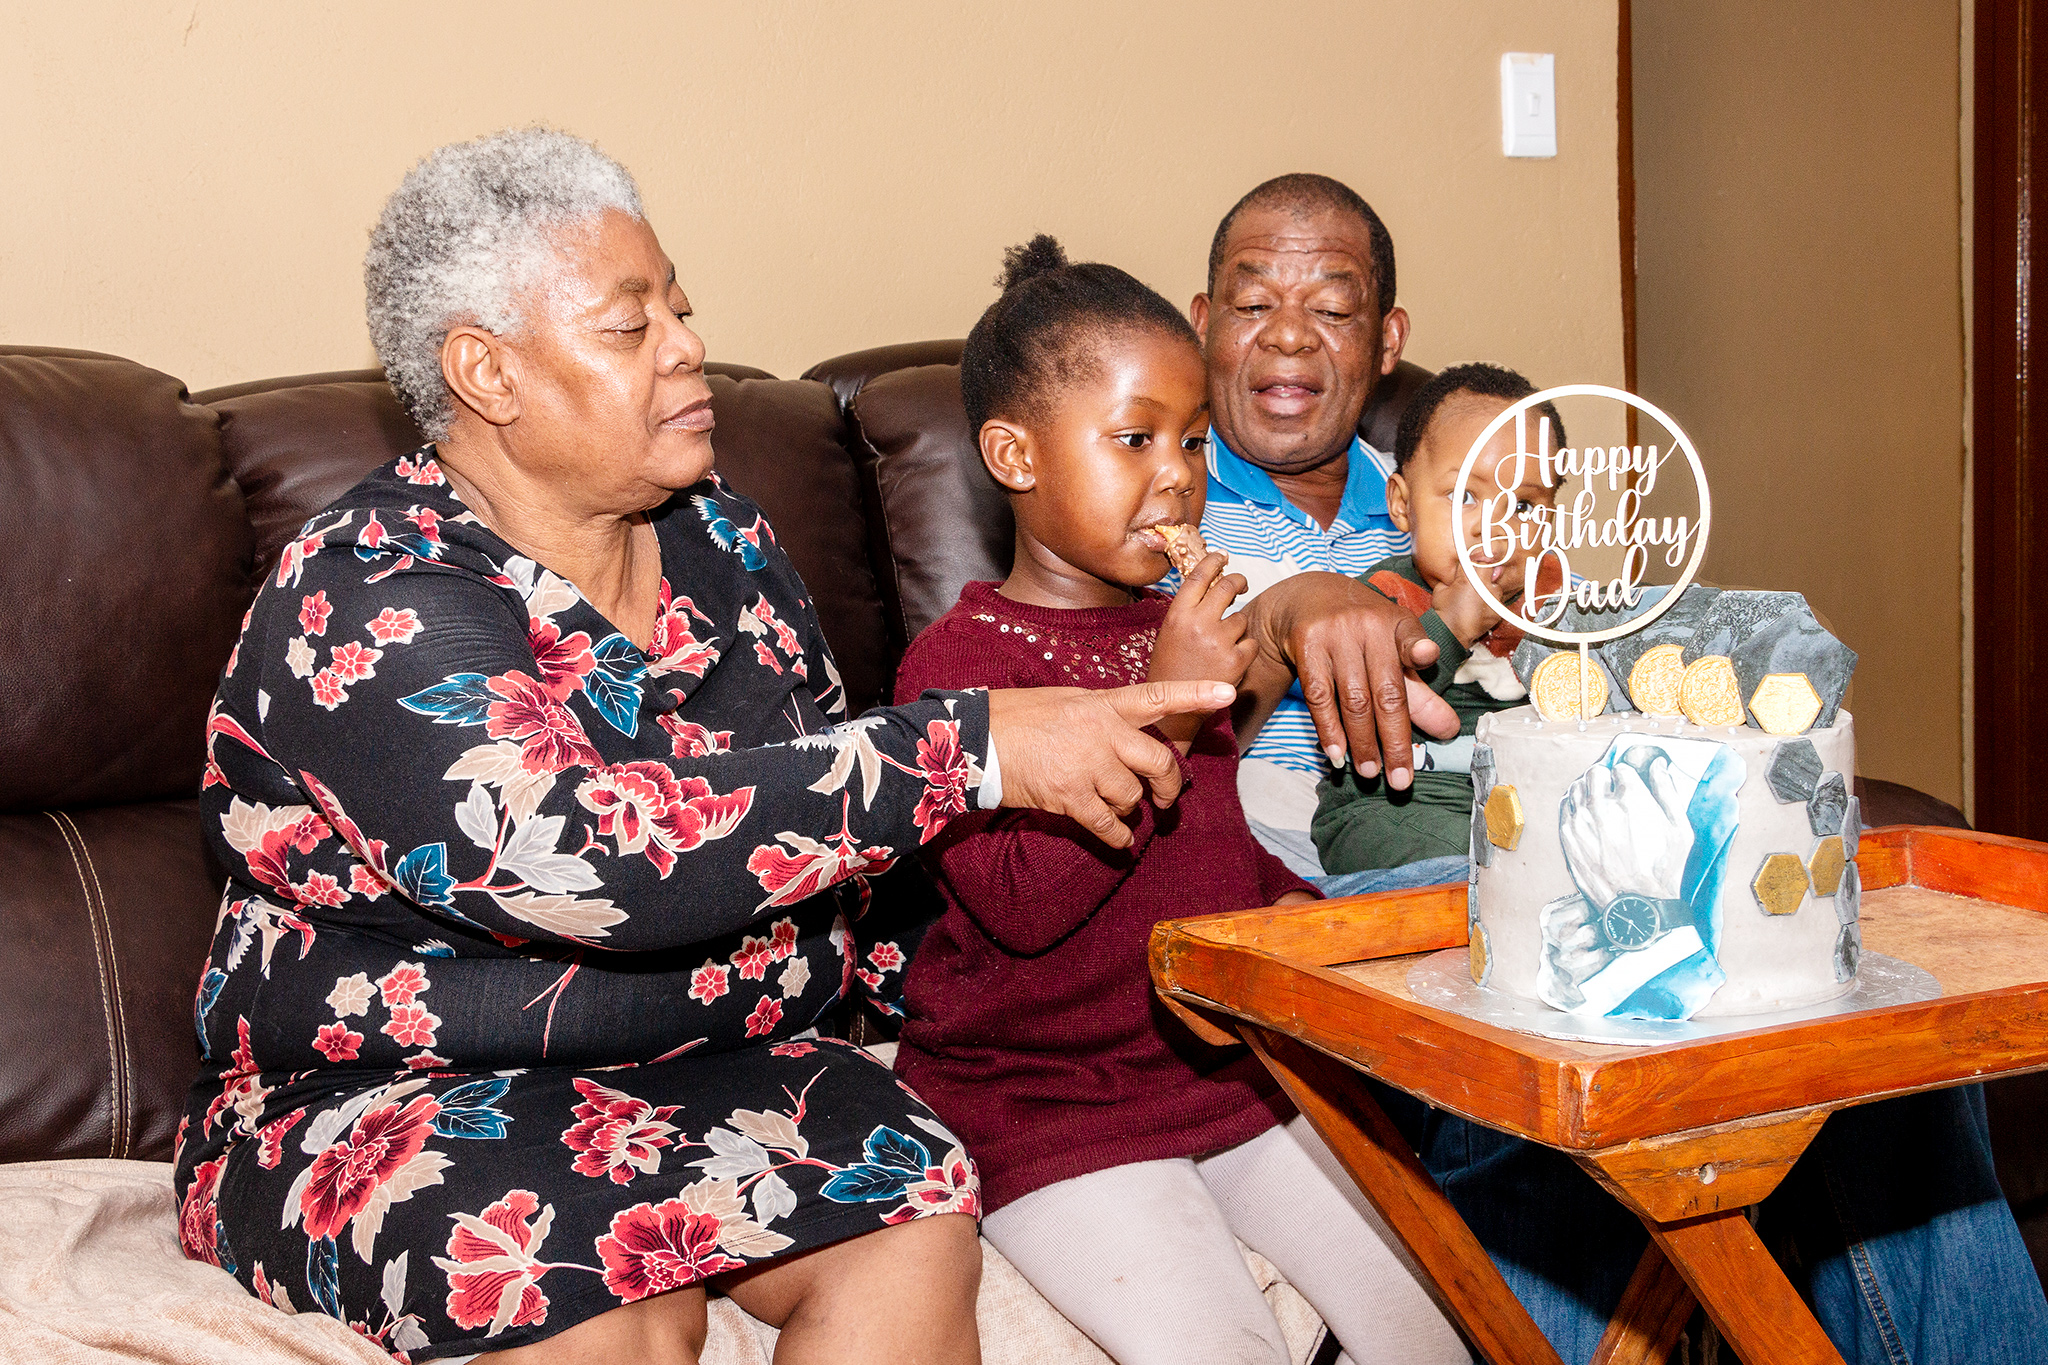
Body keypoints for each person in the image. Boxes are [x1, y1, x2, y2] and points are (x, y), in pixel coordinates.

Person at [173, 129, 1244, 1365]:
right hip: (393, 1094)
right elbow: (575, 855)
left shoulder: (725, 541)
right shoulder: (364, 591)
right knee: (604, 1293)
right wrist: (972, 747)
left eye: (677, 309)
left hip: (720, 1062)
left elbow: (835, 834)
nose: (685, 346)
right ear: (486, 372)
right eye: (629, 326)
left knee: (912, 1209)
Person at [1187, 176, 2048, 1362]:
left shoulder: (1467, 486)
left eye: (1330, 307)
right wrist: (1287, 617)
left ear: (1384, 341)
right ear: (1203, 322)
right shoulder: (1152, 495)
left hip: (1566, 848)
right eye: (1253, 302)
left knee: (1877, 1048)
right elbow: (1152, 737)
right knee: (1563, 1016)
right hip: (1343, 882)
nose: (1288, 334)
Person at [891, 235, 1469, 1365]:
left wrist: (1308, 918)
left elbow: (1210, 844)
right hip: (1048, 1102)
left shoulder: (1176, 633)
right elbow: (1021, 905)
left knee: (1438, 1316)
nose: (1177, 475)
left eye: (1194, 440)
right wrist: (1165, 703)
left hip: (1219, 1070)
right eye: (1135, 439)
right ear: (1014, 455)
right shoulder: (957, 667)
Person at [1312, 364, 1562, 875]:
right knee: (1477, 868)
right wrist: (1451, 626)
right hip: (1391, 806)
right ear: (1402, 505)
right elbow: (1371, 705)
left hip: (1520, 808)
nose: (1493, 525)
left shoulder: (1561, 605)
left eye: (1523, 505)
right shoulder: (1375, 599)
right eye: (1464, 496)